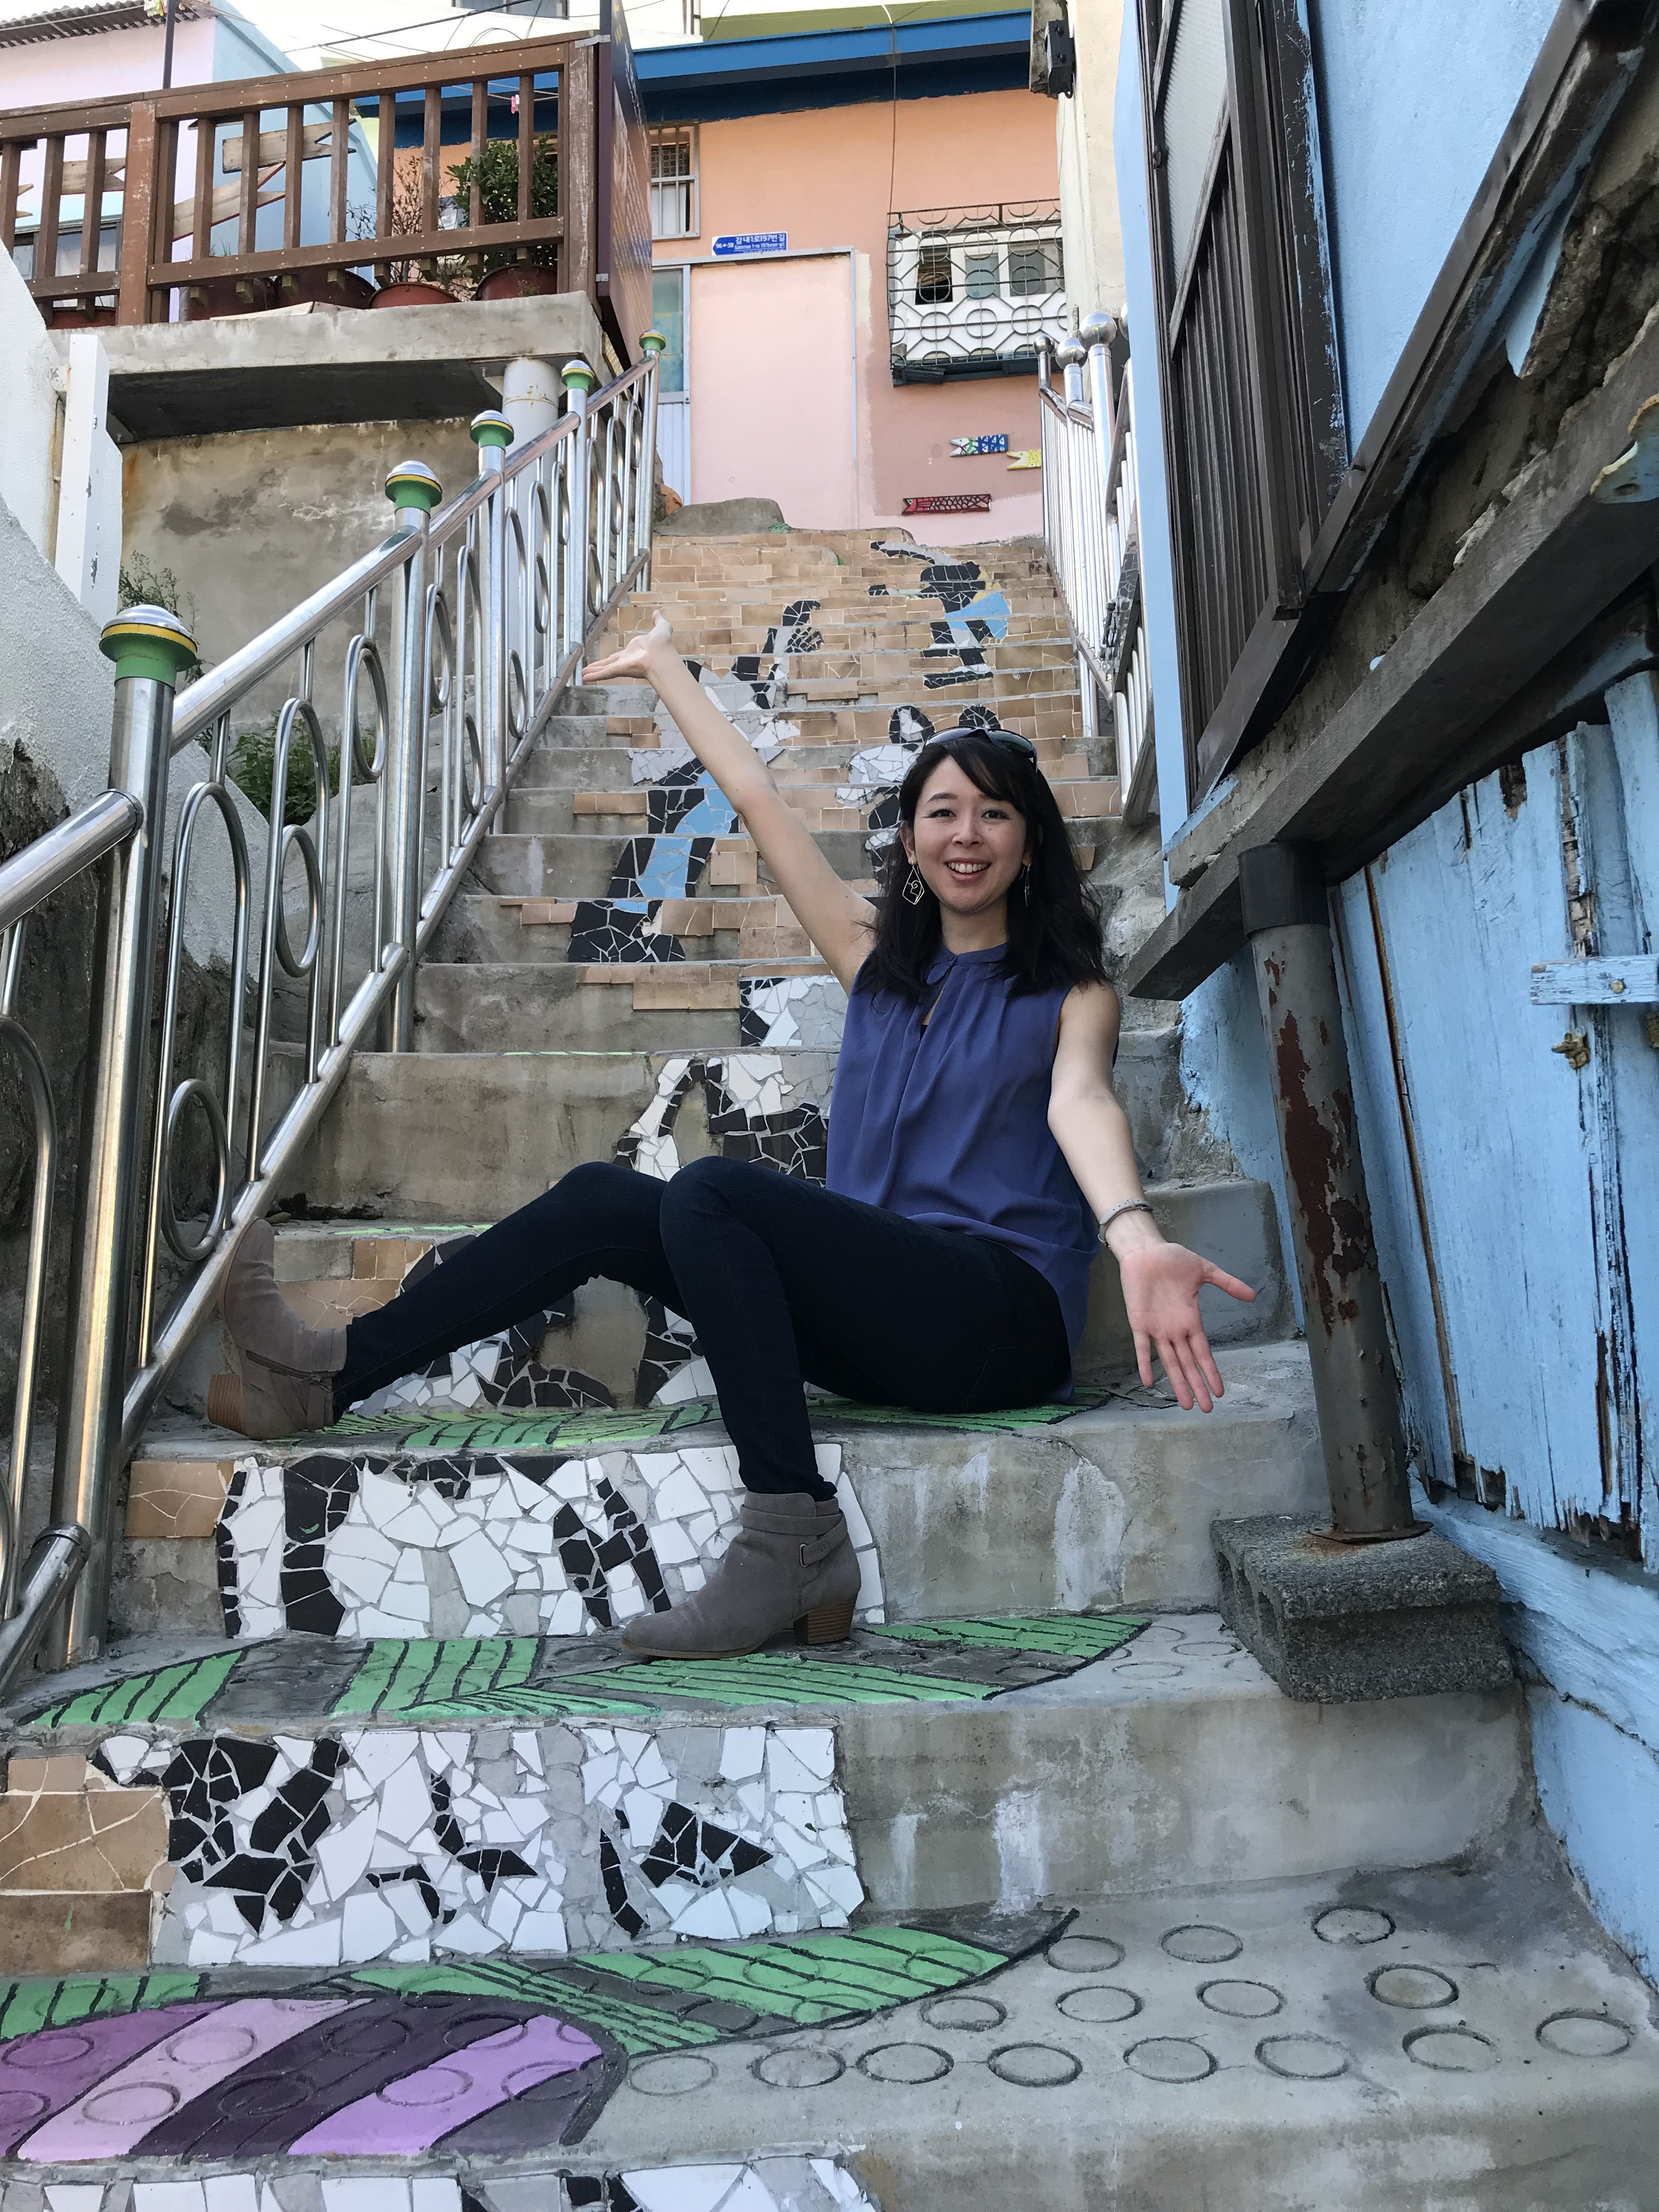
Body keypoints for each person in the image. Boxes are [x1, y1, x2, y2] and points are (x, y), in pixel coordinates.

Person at [213, 613, 1254, 1660]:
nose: (967, 834)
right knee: (603, 1199)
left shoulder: (1070, 993)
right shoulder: (875, 965)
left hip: (999, 1319)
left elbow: (1082, 1103)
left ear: (1029, 843)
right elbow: (756, 798)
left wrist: (1134, 1238)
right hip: (886, 1321)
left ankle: (792, 1535)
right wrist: (666, 666)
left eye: (995, 813)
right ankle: (327, 1376)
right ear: (910, 842)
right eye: (943, 813)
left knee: (710, 1190)